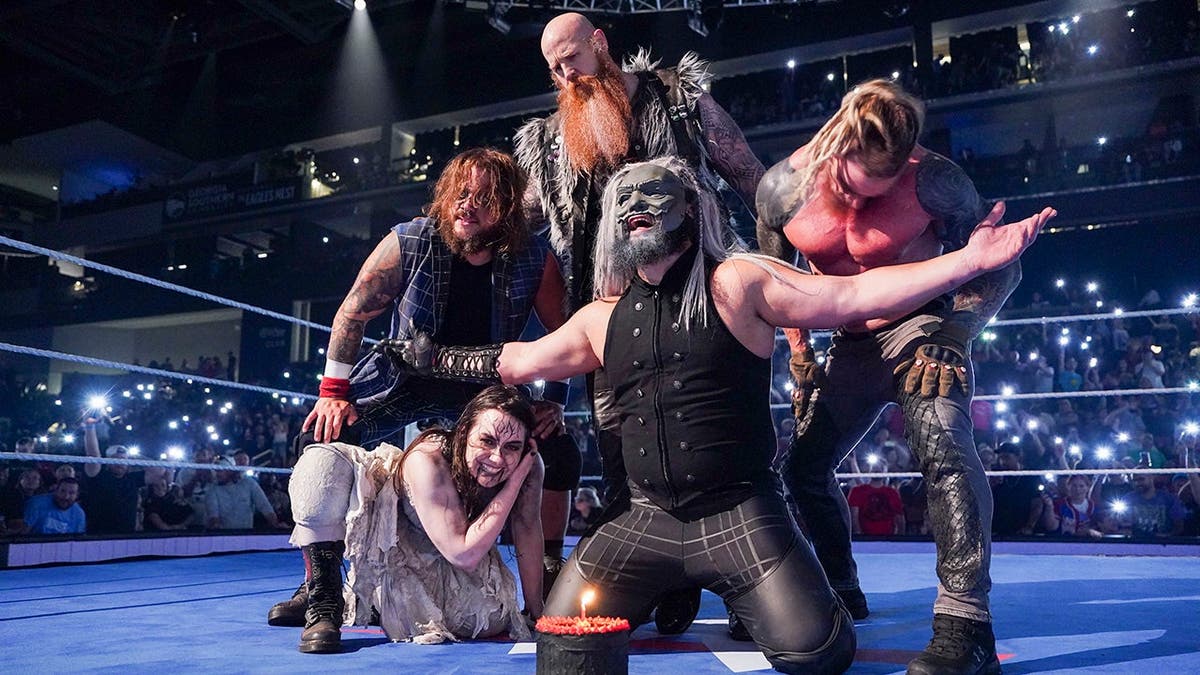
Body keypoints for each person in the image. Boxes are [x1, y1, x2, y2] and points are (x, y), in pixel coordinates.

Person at [379, 158, 1054, 673]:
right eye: (625, 200)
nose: (636, 208)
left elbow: (851, 296)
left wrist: (965, 261)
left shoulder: (737, 282)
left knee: (815, 650)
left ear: (688, 209)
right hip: (645, 518)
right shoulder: (600, 318)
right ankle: (673, 587)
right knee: (568, 642)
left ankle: (776, 595)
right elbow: (516, 362)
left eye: (652, 196)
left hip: (738, 512)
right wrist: (431, 356)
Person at [755, 78, 1028, 673]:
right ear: (835, 145)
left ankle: (967, 628)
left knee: (946, 446)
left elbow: (999, 265)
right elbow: (775, 279)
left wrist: (956, 334)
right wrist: (800, 355)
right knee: (802, 469)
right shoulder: (781, 188)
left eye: (875, 195)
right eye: (850, 189)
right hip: (847, 343)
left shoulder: (935, 180)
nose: (858, 209)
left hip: (923, 332)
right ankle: (839, 590)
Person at [514, 11, 765, 633]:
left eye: (572, 58)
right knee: (622, 457)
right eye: (554, 69)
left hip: (701, 304)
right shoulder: (549, 142)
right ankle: (663, 577)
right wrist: (442, 226)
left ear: (600, 43)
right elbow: (514, 221)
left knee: (727, 438)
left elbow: (753, 181)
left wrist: (778, 282)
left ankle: (752, 582)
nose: (565, 75)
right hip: (610, 322)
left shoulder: (678, 101)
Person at [270, 148, 580, 628]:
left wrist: (553, 404)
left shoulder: (533, 258)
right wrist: (332, 392)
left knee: (558, 452)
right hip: (405, 376)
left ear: (507, 209)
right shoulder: (410, 240)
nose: (467, 205)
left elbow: (566, 334)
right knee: (319, 437)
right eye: (461, 193)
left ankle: (551, 573)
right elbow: (352, 312)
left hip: (483, 389)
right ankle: (318, 585)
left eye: (484, 199)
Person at [286, 385, 544, 653]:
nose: (497, 458)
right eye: (487, 441)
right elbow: (463, 553)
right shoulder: (429, 460)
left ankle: (377, 606)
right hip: (396, 549)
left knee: (485, 619)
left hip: (448, 570)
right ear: (464, 433)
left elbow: (527, 527)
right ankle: (323, 601)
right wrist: (514, 483)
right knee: (321, 464)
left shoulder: (528, 464)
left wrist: (536, 612)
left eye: (512, 447)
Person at [205, 457, 281, 530]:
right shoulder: (212, 490)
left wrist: (276, 525)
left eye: (220, 471)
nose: (217, 474)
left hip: (246, 534)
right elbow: (213, 516)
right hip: (224, 535)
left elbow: (264, 506)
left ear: (230, 470)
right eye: (215, 471)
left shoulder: (249, 483)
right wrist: (215, 528)